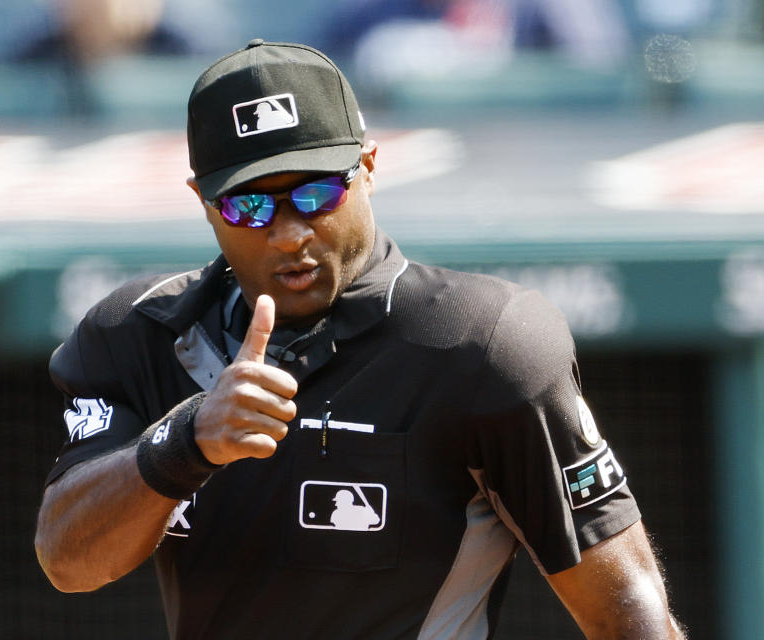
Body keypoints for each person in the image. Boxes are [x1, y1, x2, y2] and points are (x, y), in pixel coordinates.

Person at [35, 39, 685, 638]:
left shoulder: (481, 344)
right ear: (204, 203)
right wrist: (188, 441)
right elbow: (70, 562)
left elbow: (626, 605)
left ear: (368, 167)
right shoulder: (139, 332)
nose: (289, 233)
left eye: (316, 193)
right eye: (249, 207)